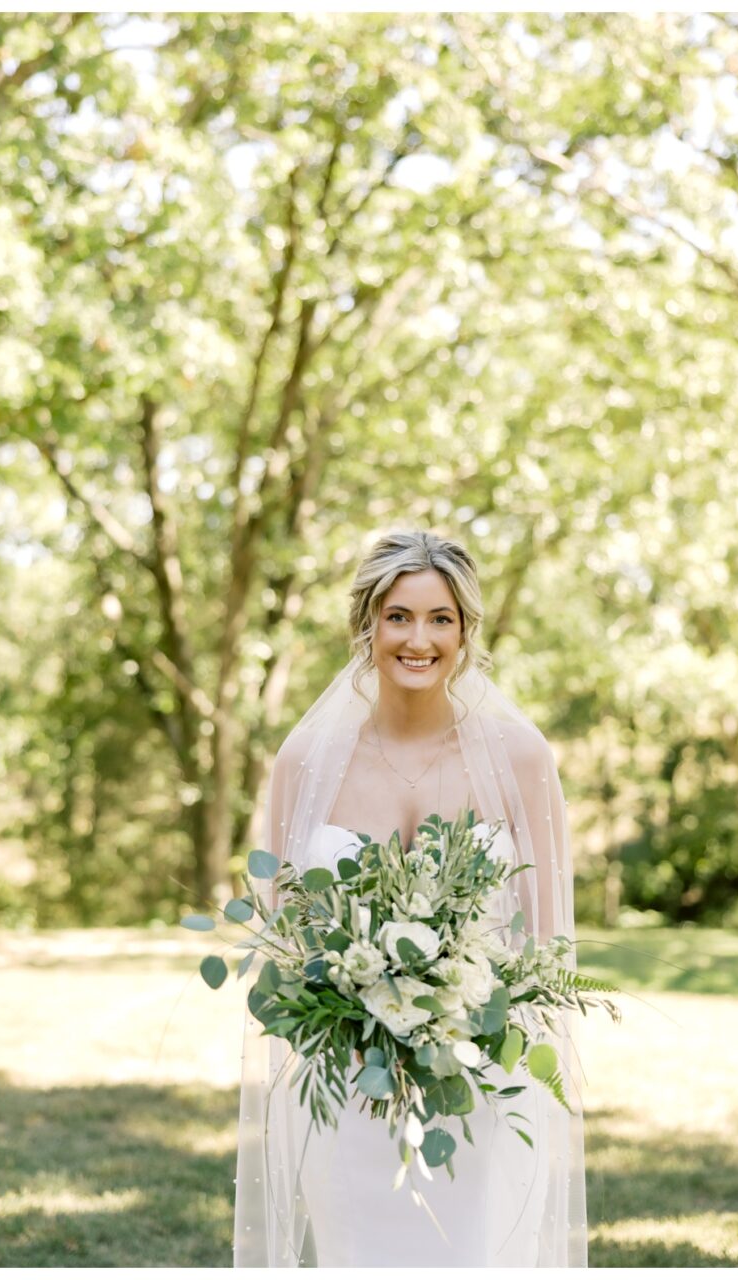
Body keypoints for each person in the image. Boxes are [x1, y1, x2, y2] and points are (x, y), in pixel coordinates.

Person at [234, 531, 587, 1266]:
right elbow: (282, 937)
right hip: (341, 1083)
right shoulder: (305, 762)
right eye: (398, 616)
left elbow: (549, 943)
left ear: (465, 632)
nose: (418, 638)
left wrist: (468, 1022)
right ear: (367, 624)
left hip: (480, 1078)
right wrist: (349, 1011)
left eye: (440, 618)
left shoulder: (520, 757)